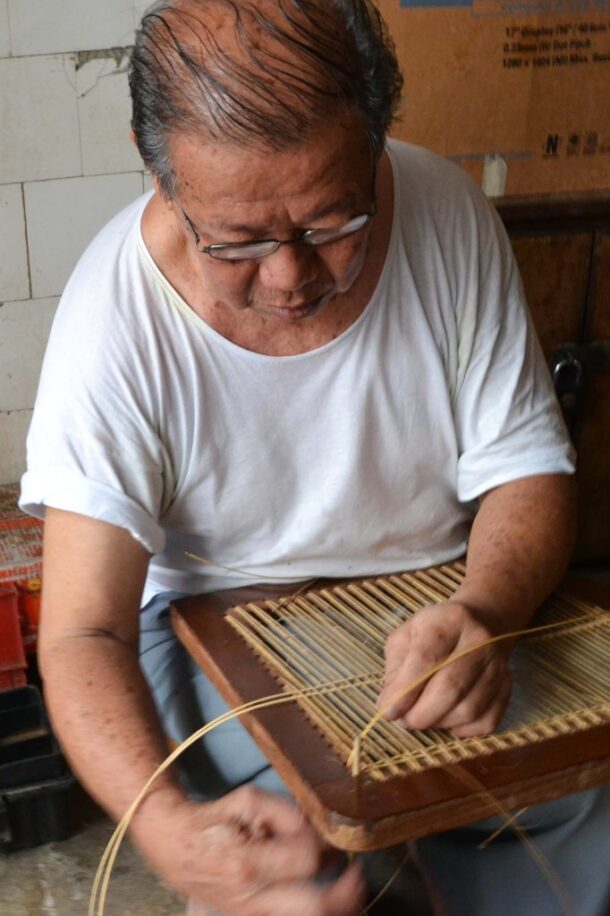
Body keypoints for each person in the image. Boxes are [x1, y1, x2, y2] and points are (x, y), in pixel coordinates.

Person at [19, 1, 609, 914]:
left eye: (334, 223)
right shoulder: (114, 316)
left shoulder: (445, 210)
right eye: (239, 242)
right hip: (215, 622)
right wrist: (170, 830)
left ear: (375, 143)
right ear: (160, 178)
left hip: (438, 594)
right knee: (305, 855)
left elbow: (526, 470)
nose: (291, 276)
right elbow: (81, 632)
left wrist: (484, 609)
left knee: (566, 798)